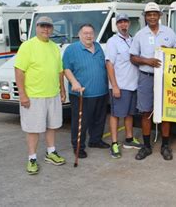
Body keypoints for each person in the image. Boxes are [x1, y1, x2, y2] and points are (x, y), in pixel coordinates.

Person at [130, 2, 176, 161]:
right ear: (145, 17)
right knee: (146, 112)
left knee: (165, 112)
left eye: (155, 14)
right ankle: (146, 146)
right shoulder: (140, 34)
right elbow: (132, 57)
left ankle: (165, 145)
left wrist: (170, 51)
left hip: (165, 77)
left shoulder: (169, 32)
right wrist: (147, 61)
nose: (152, 17)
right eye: (149, 14)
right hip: (147, 77)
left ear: (159, 16)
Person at [15, 16, 66, 175]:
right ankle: (32, 158)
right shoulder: (27, 46)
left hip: (53, 95)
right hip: (34, 96)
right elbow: (19, 71)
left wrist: (62, 90)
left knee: (52, 125)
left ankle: (51, 152)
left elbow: (59, 71)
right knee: (33, 129)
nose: (46, 29)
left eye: (49, 27)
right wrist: (23, 95)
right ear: (36, 27)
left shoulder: (54, 47)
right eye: (43, 26)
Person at [63, 24, 110, 159]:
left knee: (99, 119)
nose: (88, 36)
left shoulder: (98, 47)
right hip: (82, 93)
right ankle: (78, 146)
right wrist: (74, 82)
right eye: (85, 33)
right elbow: (66, 68)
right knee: (80, 122)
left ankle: (95, 140)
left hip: (101, 91)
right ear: (79, 35)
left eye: (91, 33)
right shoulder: (71, 49)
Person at [105, 13, 143, 159]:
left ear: (129, 23)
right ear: (117, 25)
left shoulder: (133, 40)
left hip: (133, 85)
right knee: (116, 114)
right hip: (120, 85)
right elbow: (109, 64)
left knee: (129, 114)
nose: (123, 25)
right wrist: (114, 85)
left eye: (125, 22)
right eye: (120, 22)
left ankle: (129, 138)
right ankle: (114, 143)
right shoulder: (113, 41)